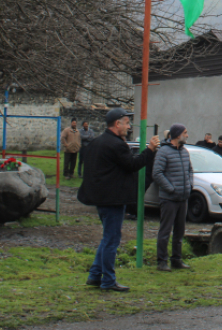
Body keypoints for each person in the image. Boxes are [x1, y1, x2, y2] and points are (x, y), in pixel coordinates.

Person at [78, 108, 160, 292]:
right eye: (127, 123)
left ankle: (94, 275)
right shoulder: (116, 145)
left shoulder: (97, 142)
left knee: (107, 237)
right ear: (117, 124)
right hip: (113, 200)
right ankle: (108, 281)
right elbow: (133, 165)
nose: (129, 127)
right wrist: (150, 150)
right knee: (112, 240)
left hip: (101, 199)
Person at [152, 123, 193, 272]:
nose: (187, 135)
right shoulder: (163, 152)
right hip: (169, 199)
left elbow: (190, 170)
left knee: (180, 231)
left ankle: (176, 259)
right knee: (165, 230)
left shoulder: (184, 152)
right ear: (177, 135)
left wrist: (189, 185)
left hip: (183, 198)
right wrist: (171, 188)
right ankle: (162, 261)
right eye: (185, 132)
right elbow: (157, 173)